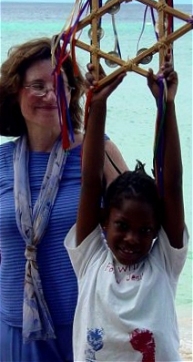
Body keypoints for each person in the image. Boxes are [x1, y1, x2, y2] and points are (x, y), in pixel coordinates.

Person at [0, 37, 128, 362]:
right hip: (15, 330)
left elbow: (144, 220)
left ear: (72, 92)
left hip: (88, 326)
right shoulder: (2, 162)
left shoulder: (96, 151)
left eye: (60, 84)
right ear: (17, 92)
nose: (50, 95)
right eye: (37, 85)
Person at [64, 56, 189, 361]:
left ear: (157, 229)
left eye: (145, 230)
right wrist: (99, 104)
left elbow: (171, 184)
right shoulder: (91, 256)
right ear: (104, 221)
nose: (133, 238)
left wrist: (166, 105)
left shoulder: (163, 263)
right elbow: (91, 181)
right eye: (122, 226)